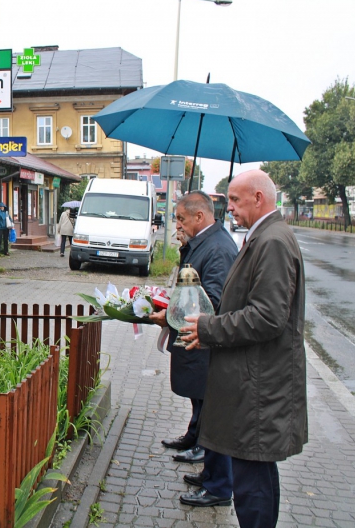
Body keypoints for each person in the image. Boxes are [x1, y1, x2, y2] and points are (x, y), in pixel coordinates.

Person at [181, 169, 307, 528]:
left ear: (258, 198)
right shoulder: (263, 236)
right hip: (256, 382)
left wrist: (209, 328)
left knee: (253, 485)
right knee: (255, 477)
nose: (229, 207)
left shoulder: (273, 241)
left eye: (235, 200)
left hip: (260, 388)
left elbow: (268, 317)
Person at [148, 191, 237, 508]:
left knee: (215, 418)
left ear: (200, 216)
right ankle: (211, 476)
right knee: (207, 413)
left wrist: (170, 318)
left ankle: (219, 487)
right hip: (199, 341)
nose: (178, 224)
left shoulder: (218, 249)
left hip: (207, 344)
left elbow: (209, 301)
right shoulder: (204, 244)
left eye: (182, 219)